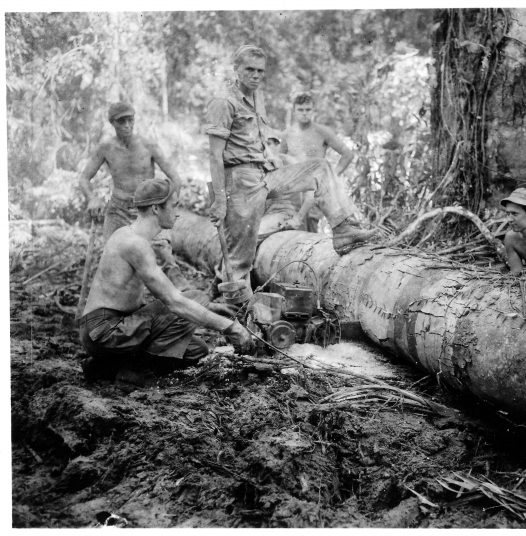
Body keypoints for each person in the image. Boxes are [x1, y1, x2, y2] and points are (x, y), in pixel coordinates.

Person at [205, 45, 376, 303]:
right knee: (240, 261)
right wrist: (219, 201)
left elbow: (258, 142)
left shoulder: (256, 99)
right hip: (239, 183)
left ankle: (343, 229)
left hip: (263, 176)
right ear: (236, 70)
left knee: (320, 167)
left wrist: (271, 157)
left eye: (260, 71)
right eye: (249, 69)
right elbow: (214, 155)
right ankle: (237, 323)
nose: (255, 75)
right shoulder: (223, 102)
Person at [79, 178, 253, 387]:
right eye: (174, 205)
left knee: (196, 350)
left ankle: (106, 367)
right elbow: (174, 301)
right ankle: (132, 375)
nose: (178, 212)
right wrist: (229, 327)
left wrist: (214, 300)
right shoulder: (135, 244)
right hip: (104, 330)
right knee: (194, 299)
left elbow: (162, 292)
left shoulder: (129, 235)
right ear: (155, 209)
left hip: (108, 329)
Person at [79, 101, 189, 290]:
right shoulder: (106, 147)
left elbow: (175, 177)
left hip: (147, 210)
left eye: (130, 120)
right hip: (118, 210)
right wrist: (92, 198)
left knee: (162, 252)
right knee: (113, 257)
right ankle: (116, 303)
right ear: (113, 123)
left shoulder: (148, 145)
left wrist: (167, 204)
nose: (127, 125)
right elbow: (84, 179)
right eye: (122, 122)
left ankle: (184, 296)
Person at [281, 92, 355, 232]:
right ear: (295, 111)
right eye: (301, 110)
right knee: (292, 229)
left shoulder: (322, 131)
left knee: (310, 224)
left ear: (313, 110)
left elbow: (347, 154)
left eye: (308, 109)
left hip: (315, 189)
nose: (304, 113)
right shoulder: (287, 134)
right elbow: (278, 160)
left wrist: (333, 175)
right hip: (294, 190)